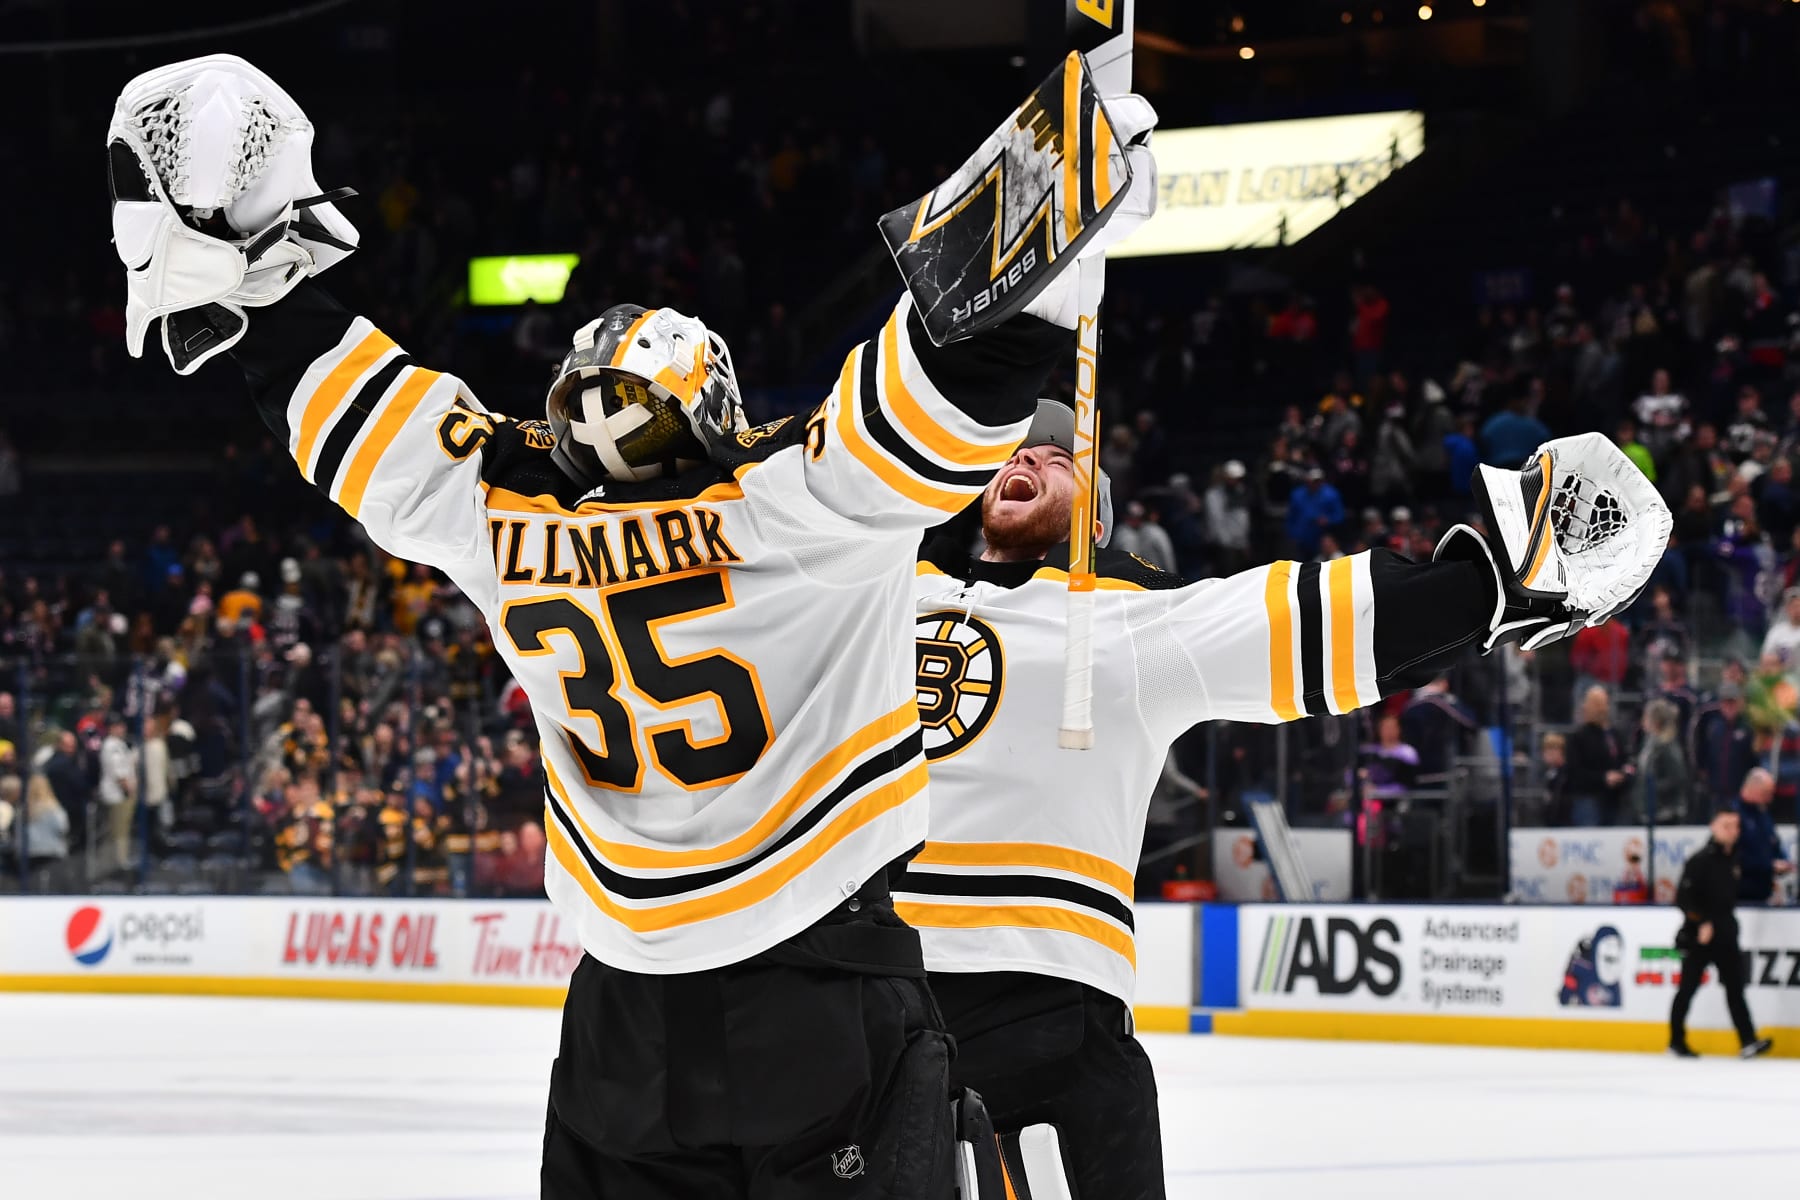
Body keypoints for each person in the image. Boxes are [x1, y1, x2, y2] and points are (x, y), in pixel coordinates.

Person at [108, 53, 1157, 1199]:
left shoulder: (502, 516)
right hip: (819, 997)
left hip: (621, 1026)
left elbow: (346, 406)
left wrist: (233, 259)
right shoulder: (799, 500)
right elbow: (944, 389)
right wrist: (1050, 232)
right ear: (714, 405)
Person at [905, 402, 1654, 1200]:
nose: (1029, 458)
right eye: (1017, 450)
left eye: (1058, 459)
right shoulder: (892, 594)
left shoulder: (1125, 618)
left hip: (1041, 1010)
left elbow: (1321, 616)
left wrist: (1489, 589)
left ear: (1094, 517)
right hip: (859, 999)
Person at [1669, 808, 1774, 1058]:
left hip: (1726, 932)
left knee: (1736, 988)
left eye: (1736, 826)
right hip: (1700, 935)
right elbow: (1683, 898)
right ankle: (1676, 1040)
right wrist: (1701, 921)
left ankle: (1747, 1040)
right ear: (1714, 826)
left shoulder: (1734, 859)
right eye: (1726, 825)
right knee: (1687, 988)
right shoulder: (1700, 860)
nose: (1732, 831)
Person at [1565, 686, 1628, 827]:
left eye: (1603, 703)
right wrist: (1603, 778)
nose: (1601, 708)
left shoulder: (1615, 734)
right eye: (1595, 703)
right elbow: (1574, 773)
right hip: (1588, 800)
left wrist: (1623, 775)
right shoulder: (1578, 737)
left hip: (1614, 799)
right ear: (1586, 706)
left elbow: (1624, 760)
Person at [1731, 768, 1792, 905]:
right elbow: (1734, 856)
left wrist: (1783, 861)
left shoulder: (1763, 814)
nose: (1770, 798)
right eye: (1766, 793)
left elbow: (1774, 843)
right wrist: (1768, 866)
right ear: (1752, 788)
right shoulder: (1732, 815)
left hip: (1763, 892)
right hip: (1740, 893)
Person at [1628, 699, 1687, 826]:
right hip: (1648, 810)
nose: (1642, 720)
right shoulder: (1648, 742)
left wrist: (1652, 788)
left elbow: (1677, 778)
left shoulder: (1668, 744)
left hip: (1664, 813)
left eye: (1646, 716)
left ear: (1655, 720)